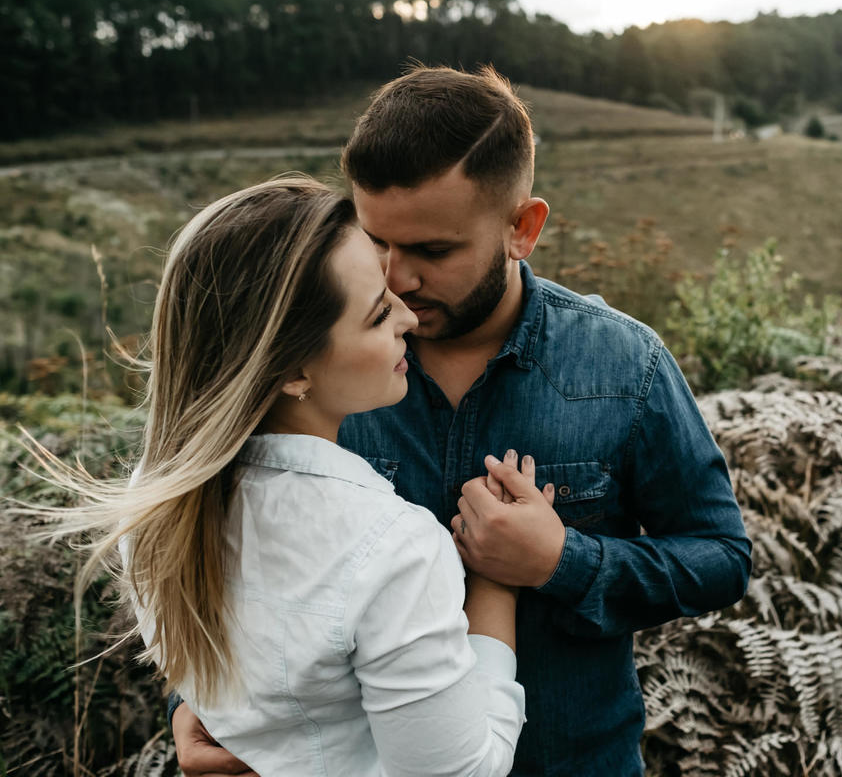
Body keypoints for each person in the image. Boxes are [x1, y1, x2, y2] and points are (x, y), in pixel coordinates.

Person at [173, 67, 753, 777]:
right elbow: (214, 540)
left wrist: (561, 562)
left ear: (522, 228)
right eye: (375, 240)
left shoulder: (624, 365)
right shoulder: (321, 366)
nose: (396, 279)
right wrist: (195, 700)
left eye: (432, 251)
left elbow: (720, 557)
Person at [30, 176, 533, 776]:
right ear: (294, 371)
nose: (406, 315)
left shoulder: (156, 497)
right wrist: (497, 592)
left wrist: (188, 707)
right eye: (376, 315)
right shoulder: (393, 549)